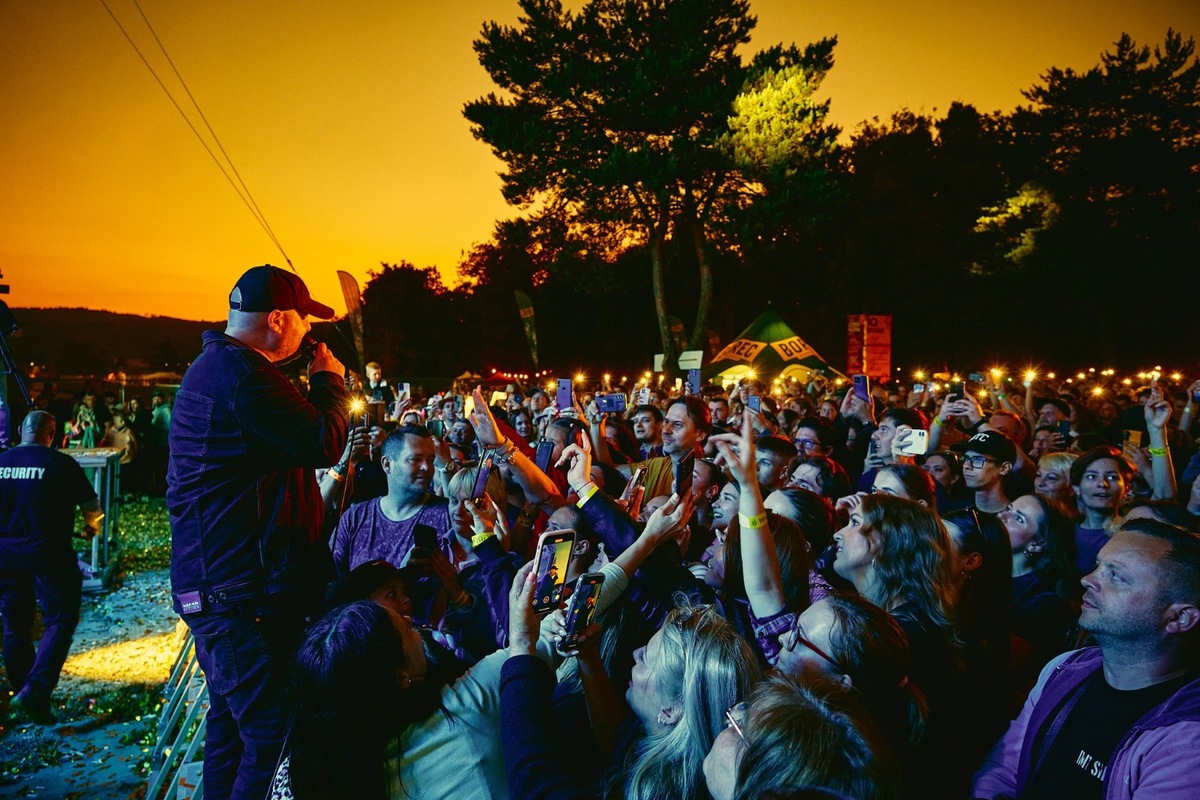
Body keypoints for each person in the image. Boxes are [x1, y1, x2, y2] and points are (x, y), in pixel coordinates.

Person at [168, 264, 349, 800]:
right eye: (300, 321)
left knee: (230, 729)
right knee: (269, 734)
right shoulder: (245, 378)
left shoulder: (219, 368)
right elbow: (322, 441)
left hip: (222, 586)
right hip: (234, 595)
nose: (305, 334)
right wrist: (328, 381)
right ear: (276, 318)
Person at [973, 517, 1200, 800]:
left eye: (1116, 575)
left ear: (1179, 617)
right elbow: (1005, 768)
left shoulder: (1186, 744)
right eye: (1098, 566)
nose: (1088, 579)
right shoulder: (1066, 669)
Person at [0, 411, 103, 724]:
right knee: (61, 618)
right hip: (49, 555)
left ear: (20, 430)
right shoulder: (60, 464)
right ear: (52, 433)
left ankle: (23, 695)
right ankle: (36, 690)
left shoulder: (1, 463)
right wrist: (92, 529)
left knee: (15, 626)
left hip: (5, 556)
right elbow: (92, 508)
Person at [330, 424, 451, 576]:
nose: (426, 467)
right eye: (415, 459)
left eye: (431, 460)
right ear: (387, 465)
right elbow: (334, 581)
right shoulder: (355, 517)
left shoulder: (445, 513)